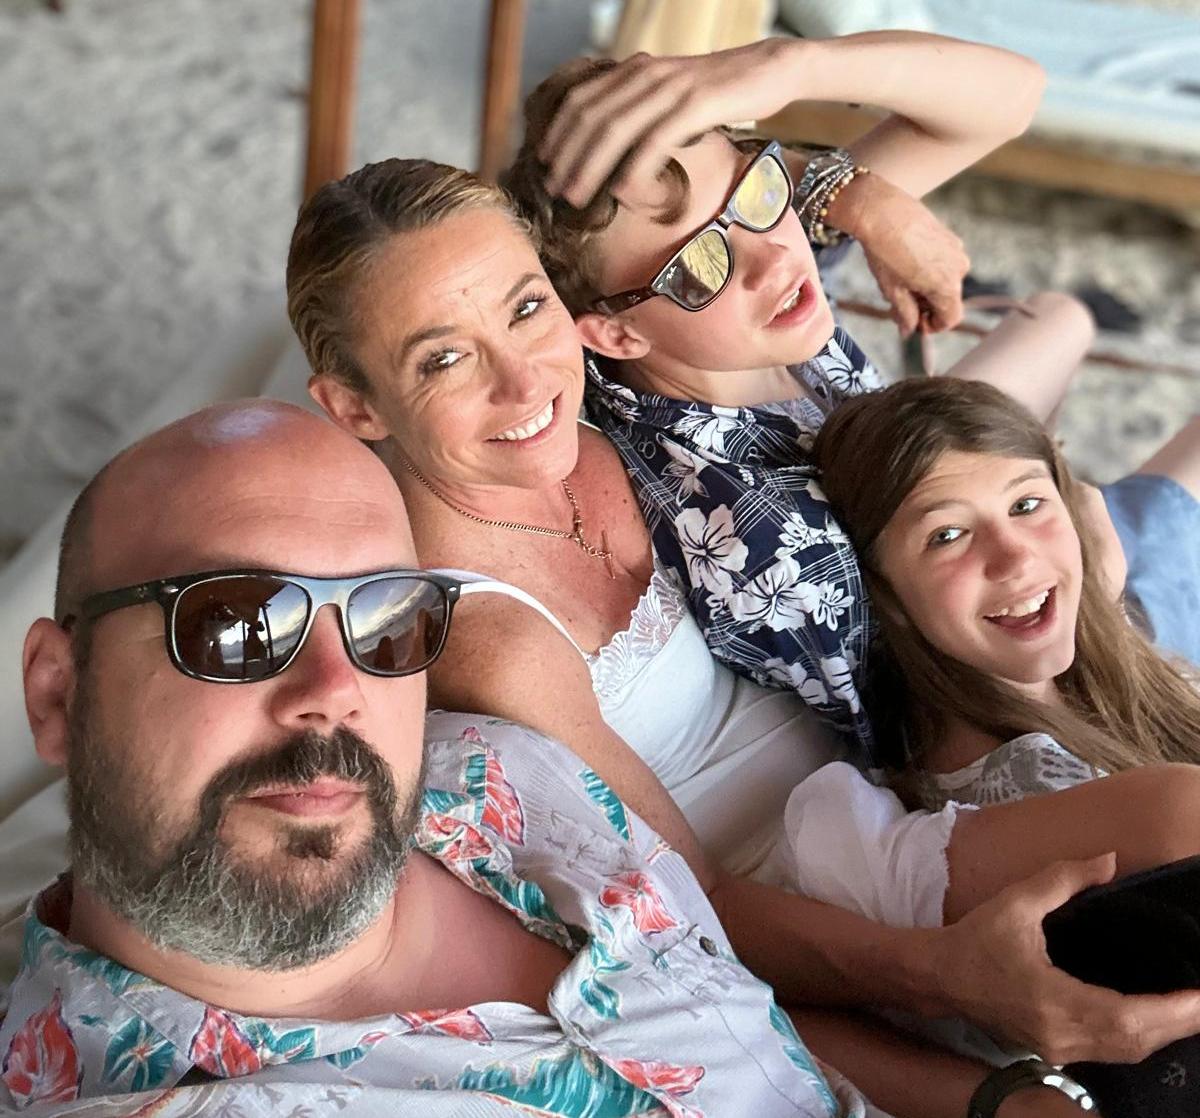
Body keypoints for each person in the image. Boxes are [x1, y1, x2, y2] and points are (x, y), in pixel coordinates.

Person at [286, 154, 1200, 1117]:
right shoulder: (488, 633)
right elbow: (695, 905)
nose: (523, 382)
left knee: (1107, 501)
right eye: (443, 358)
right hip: (828, 886)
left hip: (915, 727)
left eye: (524, 309)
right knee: (1180, 811)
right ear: (353, 407)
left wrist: (853, 188)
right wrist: (943, 981)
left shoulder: (600, 386)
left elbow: (681, 191)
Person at [6, 399, 895, 1116]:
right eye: (236, 624)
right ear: (59, 692)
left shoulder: (499, 770)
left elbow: (747, 1017)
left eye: (385, 620)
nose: (336, 687)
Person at [503, 35, 1200, 763]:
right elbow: (989, 715)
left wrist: (790, 78)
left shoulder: (722, 326)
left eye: (755, 191)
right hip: (1072, 638)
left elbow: (1014, 95)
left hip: (983, 518)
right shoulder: (771, 539)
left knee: (1061, 317)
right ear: (612, 336)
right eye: (700, 264)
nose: (774, 254)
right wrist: (1099, 581)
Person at [809, 376, 1200, 813]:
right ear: (884, 590)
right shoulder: (1040, 788)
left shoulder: (1086, 652)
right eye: (948, 535)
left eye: (1025, 505)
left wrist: (1097, 591)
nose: (1015, 559)